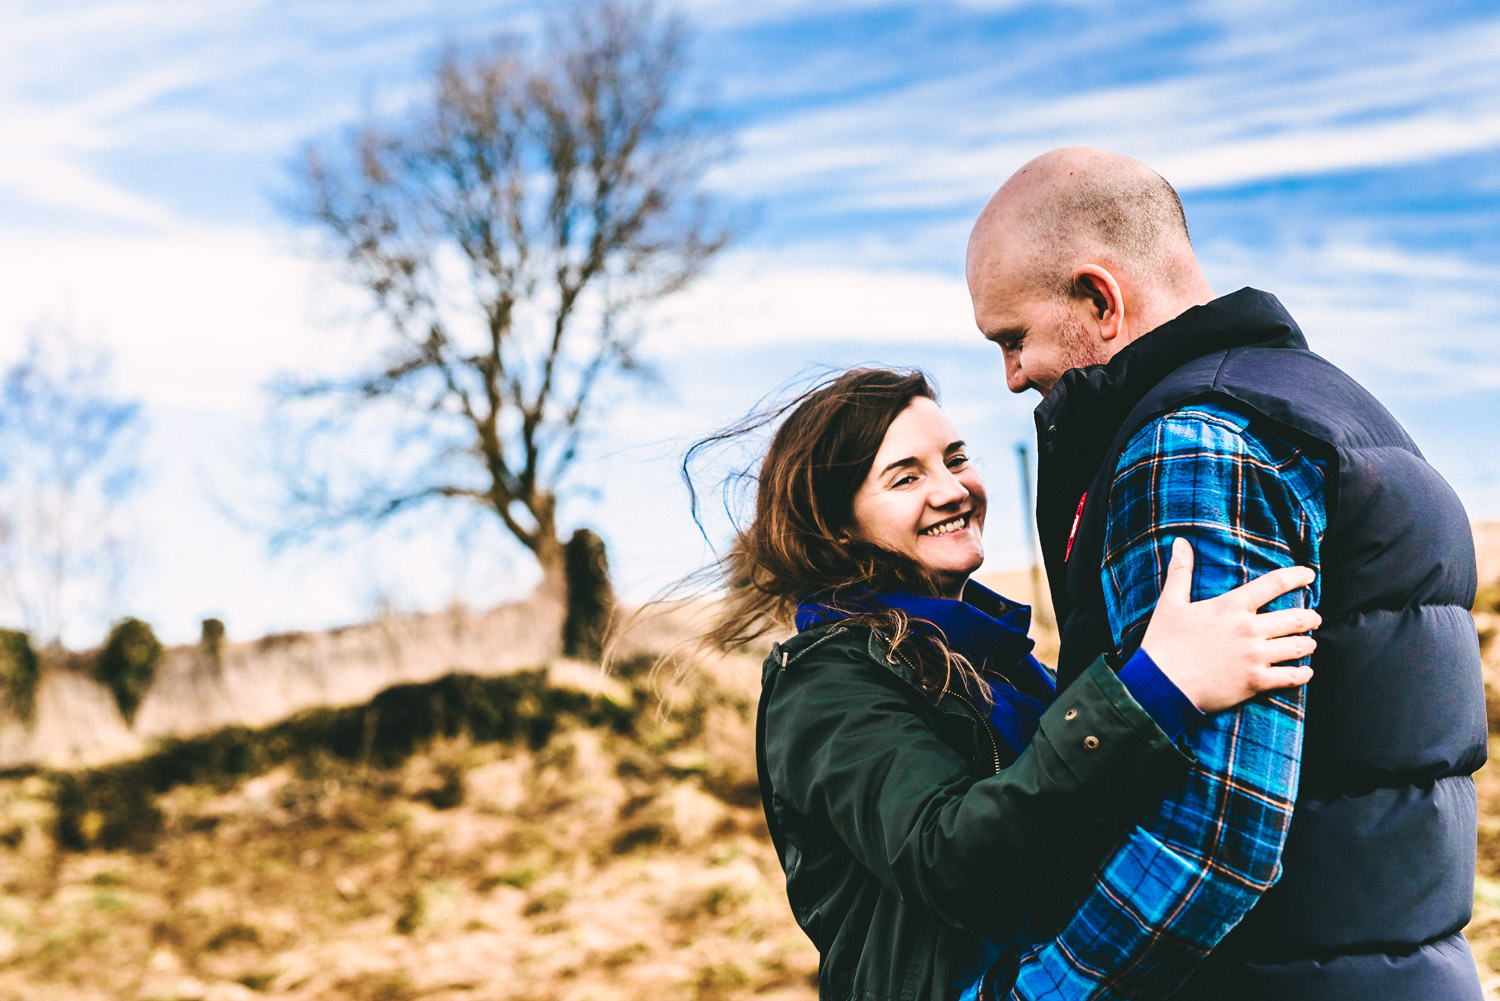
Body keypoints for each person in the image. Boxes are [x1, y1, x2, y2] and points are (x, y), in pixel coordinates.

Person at [965, 145, 1487, 1000]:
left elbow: (1213, 834)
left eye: (1013, 338)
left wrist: (1032, 994)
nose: (1013, 374)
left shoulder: (1193, 444)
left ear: (1100, 299)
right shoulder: (1338, 408)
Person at [692, 366, 1321, 1000]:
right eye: (905, 477)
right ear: (838, 525)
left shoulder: (995, 659)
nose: (951, 490)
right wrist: (1155, 692)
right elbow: (951, 862)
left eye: (956, 459)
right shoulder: (828, 678)